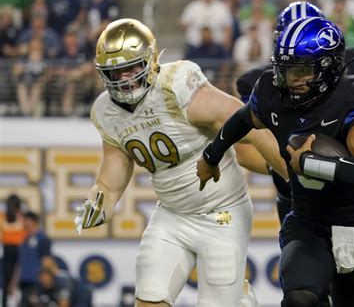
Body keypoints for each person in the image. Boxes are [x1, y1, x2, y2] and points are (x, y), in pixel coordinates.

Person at [73, 18, 286, 307]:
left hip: (221, 212)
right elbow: (114, 170)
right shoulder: (106, 110)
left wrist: (291, 172)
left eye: (130, 67)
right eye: (115, 71)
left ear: (149, 59)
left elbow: (247, 122)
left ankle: (239, 299)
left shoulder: (175, 86)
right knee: (149, 299)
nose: (123, 78)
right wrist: (101, 199)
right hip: (172, 214)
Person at [197, 16, 354, 306]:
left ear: (326, 68)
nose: (290, 79)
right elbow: (243, 118)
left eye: (300, 70)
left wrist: (311, 164)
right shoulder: (274, 94)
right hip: (307, 222)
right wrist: (211, 155)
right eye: (285, 70)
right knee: (299, 298)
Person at [235, 1, 354, 224]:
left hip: (349, 191)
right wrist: (294, 165)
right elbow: (244, 149)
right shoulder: (260, 84)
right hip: (297, 198)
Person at [18, 211, 52, 307]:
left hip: (37, 283)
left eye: (25, 220)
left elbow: (46, 261)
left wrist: (45, 281)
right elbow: (20, 263)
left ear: (33, 222)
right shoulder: (24, 240)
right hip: (24, 283)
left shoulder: (43, 239)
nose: (23, 223)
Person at [0, 194, 26, 307]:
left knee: (21, 279)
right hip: (7, 251)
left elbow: (26, 235)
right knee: (7, 280)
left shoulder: (23, 218)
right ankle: (5, 303)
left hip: (21, 251)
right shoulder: (2, 217)